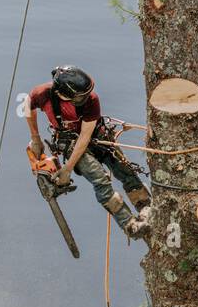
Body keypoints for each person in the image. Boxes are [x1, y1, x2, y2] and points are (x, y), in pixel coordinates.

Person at [26, 65, 151, 239]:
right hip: (70, 143)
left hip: (95, 136)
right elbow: (27, 105)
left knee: (125, 171)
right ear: (63, 94)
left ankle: (146, 207)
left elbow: (84, 138)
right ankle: (129, 225)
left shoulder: (91, 100)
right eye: (79, 96)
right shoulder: (42, 94)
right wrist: (36, 138)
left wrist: (67, 169)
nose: (84, 98)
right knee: (101, 181)